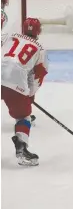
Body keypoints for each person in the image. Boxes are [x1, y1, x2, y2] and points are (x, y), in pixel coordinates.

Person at [1, 18, 48, 166]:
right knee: (24, 117)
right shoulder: (40, 49)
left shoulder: (10, 36)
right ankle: (21, 148)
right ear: (38, 32)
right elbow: (37, 77)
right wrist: (29, 95)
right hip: (16, 84)